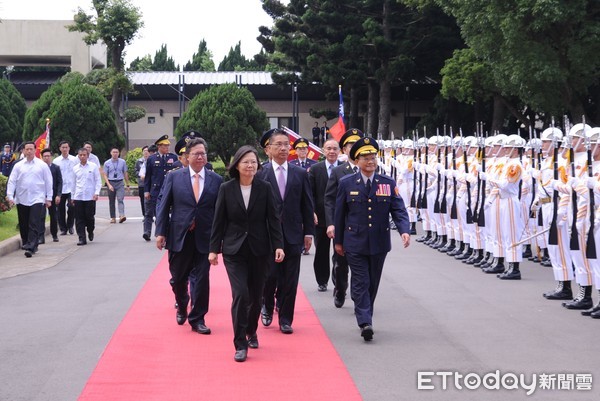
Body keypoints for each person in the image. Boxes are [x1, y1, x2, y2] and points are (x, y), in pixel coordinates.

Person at [209, 145, 285, 362]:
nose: (251, 165)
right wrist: (213, 250)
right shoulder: (226, 189)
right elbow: (219, 221)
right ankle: (240, 343)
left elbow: (273, 219)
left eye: (254, 162)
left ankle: (252, 330)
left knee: (256, 296)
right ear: (237, 165)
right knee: (241, 294)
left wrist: (278, 245)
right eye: (246, 162)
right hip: (234, 250)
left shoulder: (265, 187)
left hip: (260, 250)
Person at [334, 137, 410, 341]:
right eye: (366, 158)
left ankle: (365, 310)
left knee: (373, 282)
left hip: (379, 241)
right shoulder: (346, 183)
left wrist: (405, 229)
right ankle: (365, 321)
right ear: (356, 161)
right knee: (360, 280)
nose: (370, 161)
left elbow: (398, 209)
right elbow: (340, 214)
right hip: (354, 241)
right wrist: (338, 242)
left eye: (373, 157)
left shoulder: (387, 182)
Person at [155, 138, 223, 335]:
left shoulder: (216, 180)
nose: (201, 157)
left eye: (203, 153)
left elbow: (220, 212)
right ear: (186, 156)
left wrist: (220, 240)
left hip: (205, 236)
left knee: (202, 279)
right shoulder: (174, 177)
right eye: (196, 154)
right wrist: (160, 232)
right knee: (177, 279)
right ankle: (182, 302)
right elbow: (164, 206)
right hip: (179, 235)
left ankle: (198, 318)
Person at [258, 128, 314, 334]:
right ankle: (266, 304)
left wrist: (309, 232)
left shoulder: (300, 173)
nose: (283, 148)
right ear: (268, 149)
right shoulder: (260, 173)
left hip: (292, 233)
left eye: (286, 144)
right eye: (278, 145)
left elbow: (307, 204)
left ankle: (285, 318)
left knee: (290, 279)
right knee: (269, 275)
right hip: (267, 235)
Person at [324, 128, 364, 308]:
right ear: (345, 149)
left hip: (363, 226)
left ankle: (359, 297)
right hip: (343, 225)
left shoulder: (369, 169)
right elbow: (329, 199)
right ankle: (340, 289)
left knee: (361, 265)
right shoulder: (339, 171)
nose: (353, 148)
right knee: (341, 263)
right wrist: (331, 223)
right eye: (350, 145)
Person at [6, 141, 53, 258]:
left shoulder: (42, 165)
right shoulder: (18, 166)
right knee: (24, 223)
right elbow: (12, 181)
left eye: (31, 149)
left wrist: (49, 198)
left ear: (35, 150)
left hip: (37, 199)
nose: (29, 151)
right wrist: (10, 196)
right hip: (22, 198)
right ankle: (28, 242)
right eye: (27, 149)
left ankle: (31, 246)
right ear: (23, 151)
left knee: (33, 222)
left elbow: (48, 182)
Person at [308, 138, 341, 291]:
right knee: (321, 250)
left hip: (340, 216)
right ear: (323, 151)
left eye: (335, 148)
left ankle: (339, 282)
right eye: (329, 148)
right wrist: (312, 211)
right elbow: (310, 194)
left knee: (340, 251)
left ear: (339, 151)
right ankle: (322, 280)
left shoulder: (345, 168)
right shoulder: (315, 170)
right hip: (320, 217)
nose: (332, 151)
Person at [143, 135, 178, 241]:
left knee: (163, 213)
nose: (167, 147)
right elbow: (148, 176)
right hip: (155, 190)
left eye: (168, 145)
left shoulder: (173, 158)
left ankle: (162, 233)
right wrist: (146, 191)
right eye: (165, 146)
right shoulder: (151, 159)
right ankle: (147, 232)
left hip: (168, 189)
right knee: (150, 212)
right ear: (159, 146)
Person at [71, 147, 101, 246]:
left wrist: (96, 193)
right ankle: (81, 238)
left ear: (87, 156)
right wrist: (72, 196)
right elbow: (73, 183)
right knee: (79, 218)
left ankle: (90, 230)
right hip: (78, 196)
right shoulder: (75, 168)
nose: (82, 157)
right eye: (81, 155)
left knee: (89, 217)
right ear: (78, 156)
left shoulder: (93, 166)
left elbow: (98, 181)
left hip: (90, 197)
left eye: (84, 155)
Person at [53, 141, 77, 235]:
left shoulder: (74, 160)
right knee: (60, 209)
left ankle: (70, 226)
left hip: (71, 188)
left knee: (71, 207)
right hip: (60, 188)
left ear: (69, 148)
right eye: (63, 147)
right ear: (60, 148)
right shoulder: (56, 161)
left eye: (66, 147)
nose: (65, 149)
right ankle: (63, 228)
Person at [39, 148, 62, 243]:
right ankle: (41, 237)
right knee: (41, 217)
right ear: (42, 157)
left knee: (53, 216)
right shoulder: (39, 168)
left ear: (51, 157)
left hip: (53, 196)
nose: (47, 158)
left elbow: (60, 182)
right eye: (45, 156)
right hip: (41, 196)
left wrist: (58, 195)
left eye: (48, 156)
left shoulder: (56, 168)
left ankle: (54, 234)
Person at [103, 147, 130, 224]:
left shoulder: (122, 162)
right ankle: (113, 217)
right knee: (111, 201)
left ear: (119, 153)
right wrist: (108, 185)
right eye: (113, 152)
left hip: (120, 183)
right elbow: (105, 175)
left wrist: (127, 184)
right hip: (111, 182)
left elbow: (125, 173)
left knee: (120, 199)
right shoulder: (107, 163)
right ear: (111, 153)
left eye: (117, 152)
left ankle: (122, 215)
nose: (115, 154)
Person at [135, 146, 149, 216]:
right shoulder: (139, 161)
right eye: (144, 151)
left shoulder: (152, 160)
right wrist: (140, 175)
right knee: (143, 200)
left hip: (150, 183)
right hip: (142, 183)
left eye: (147, 150)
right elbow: (136, 171)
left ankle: (150, 215)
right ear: (142, 152)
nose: (146, 152)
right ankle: (145, 215)